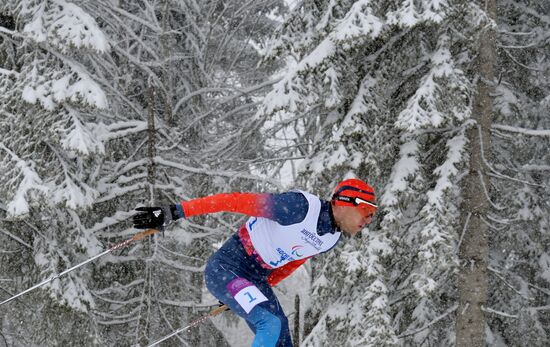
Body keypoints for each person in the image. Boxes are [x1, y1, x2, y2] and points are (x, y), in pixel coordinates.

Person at [132, 178, 377, 347]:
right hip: (226, 267)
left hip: (254, 279)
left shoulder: (331, 238)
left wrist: (249, 292)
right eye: (367, 212)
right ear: (346, 202)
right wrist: (175, 211)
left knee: (282, 339)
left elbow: (292, 261)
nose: (368, 220)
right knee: (269, 324)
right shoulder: (299, 207)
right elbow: (233, 201)